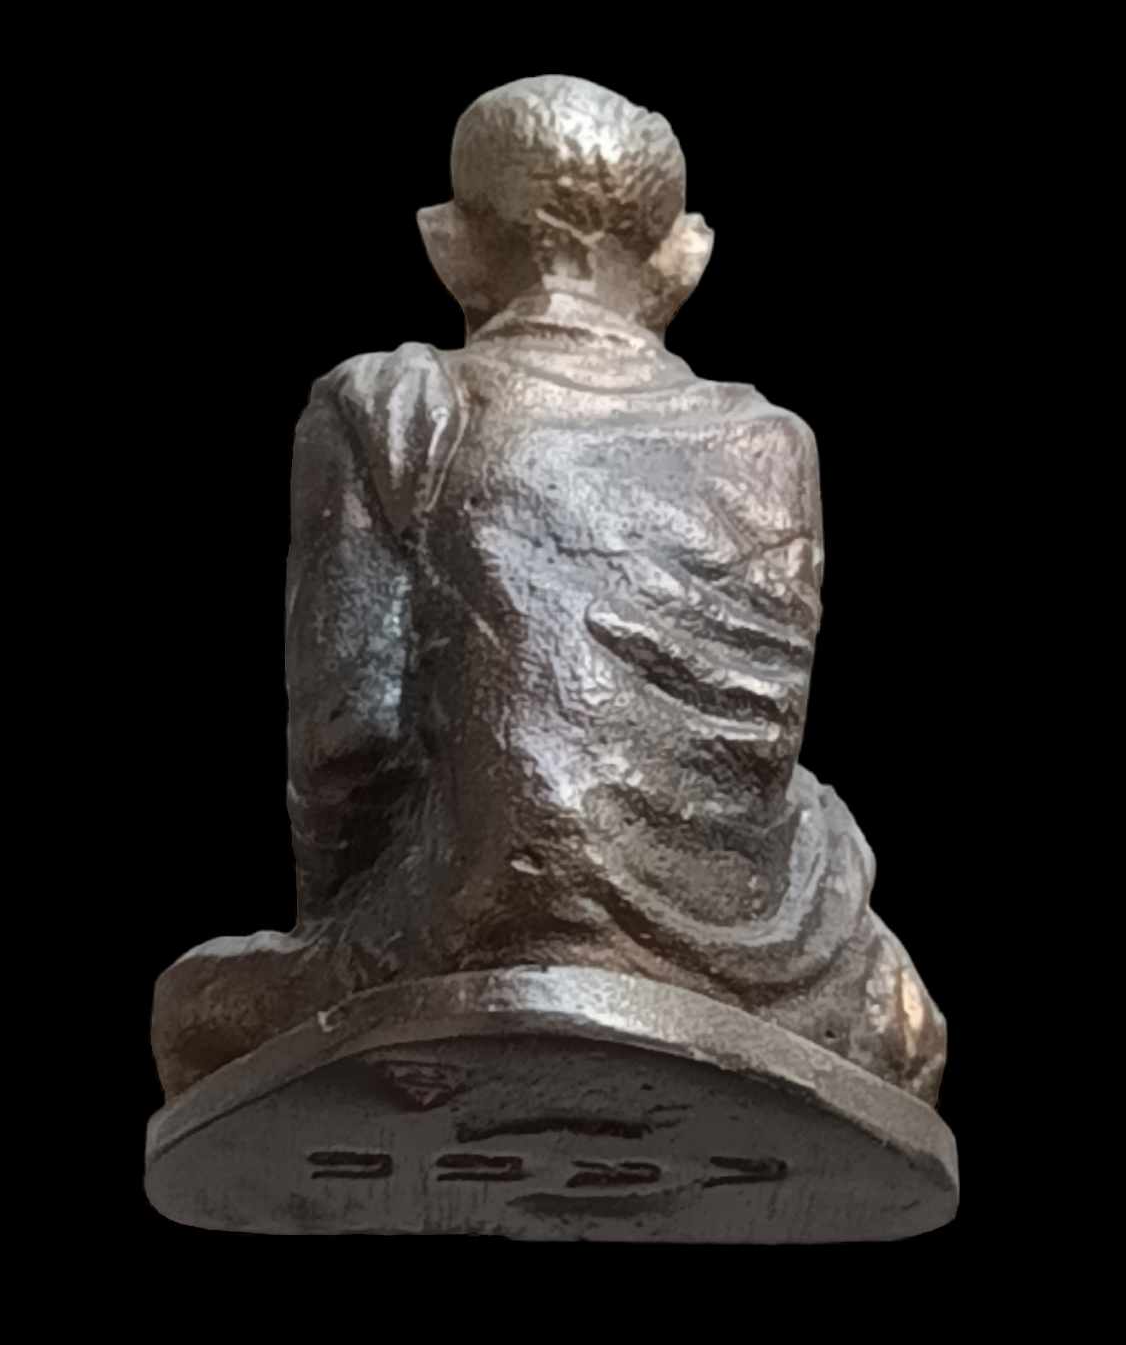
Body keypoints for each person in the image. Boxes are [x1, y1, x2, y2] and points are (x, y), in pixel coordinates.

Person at [153, 76, 946, 1107]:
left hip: (459, 927)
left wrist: (353, 941)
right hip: (749, 951)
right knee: (901, 1031)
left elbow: (345, 745)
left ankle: (464, 1035)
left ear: (448, 245)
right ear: (684, 257)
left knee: (193, 1015)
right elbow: (754, 757)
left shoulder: (387, 404)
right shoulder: (772, 440)